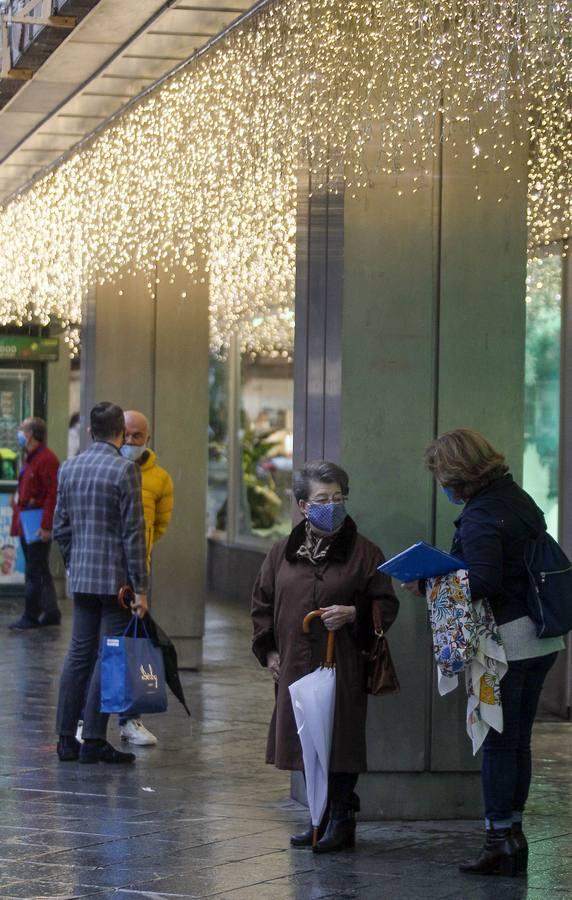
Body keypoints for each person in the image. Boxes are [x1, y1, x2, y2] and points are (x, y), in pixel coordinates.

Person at [407, 429, 565, 876]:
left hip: (507, 643)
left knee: (498, 743)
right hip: (542, 638)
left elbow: (484, 580)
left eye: (441, 475)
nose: (442, 485)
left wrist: (428, 585)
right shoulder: (517, 498)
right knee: (518, 741)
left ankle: (499, 841)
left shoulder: (479, 517)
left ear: (456, 473)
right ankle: (513, 835)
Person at [251, 460, 399, 854]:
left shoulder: (365, 553)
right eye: (321, 499)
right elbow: (262, 603)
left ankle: (341, 816)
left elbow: (385, 603)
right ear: (302, 505)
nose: (330, 505)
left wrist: (355, 613)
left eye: (337, 497)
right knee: (305, 739)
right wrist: (268, 651)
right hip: (294, 662)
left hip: (343, 661)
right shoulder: (281, 552)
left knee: (340, 738)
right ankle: (317, 816)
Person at [54, 401, 149, 765]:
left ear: (90, 431)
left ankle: (66, 739)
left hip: (81, 578)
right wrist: (140, 588)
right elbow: (133, 535)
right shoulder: (125, 471)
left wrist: (75, 562)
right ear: (121, 434)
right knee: (108, 656)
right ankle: (93, 738)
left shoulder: (70, 468)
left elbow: (61, 527)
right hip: (116, 584)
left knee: (79, 654)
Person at [118, 409, 174, 747]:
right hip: (107, 574)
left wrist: (142, 558)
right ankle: (88, 718)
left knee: (134, 647)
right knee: (98, 647)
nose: (130, 441)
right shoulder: (109, 470)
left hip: (139, 572)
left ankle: (130, 719)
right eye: (125, 434)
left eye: (137, 436)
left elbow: (161, 525)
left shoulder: (160, 479)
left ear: (147, 439)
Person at [9, 417, 60, 630]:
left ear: (30, 434)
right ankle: (50, 612)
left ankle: (31, 615)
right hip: (28, 521)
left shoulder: (45, 459)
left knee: (33, 570)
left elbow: (51, 495)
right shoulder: (31, 458)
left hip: (36, 524)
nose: (19, 433)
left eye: (22, 429)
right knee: (40, 569)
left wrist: (47, 525)